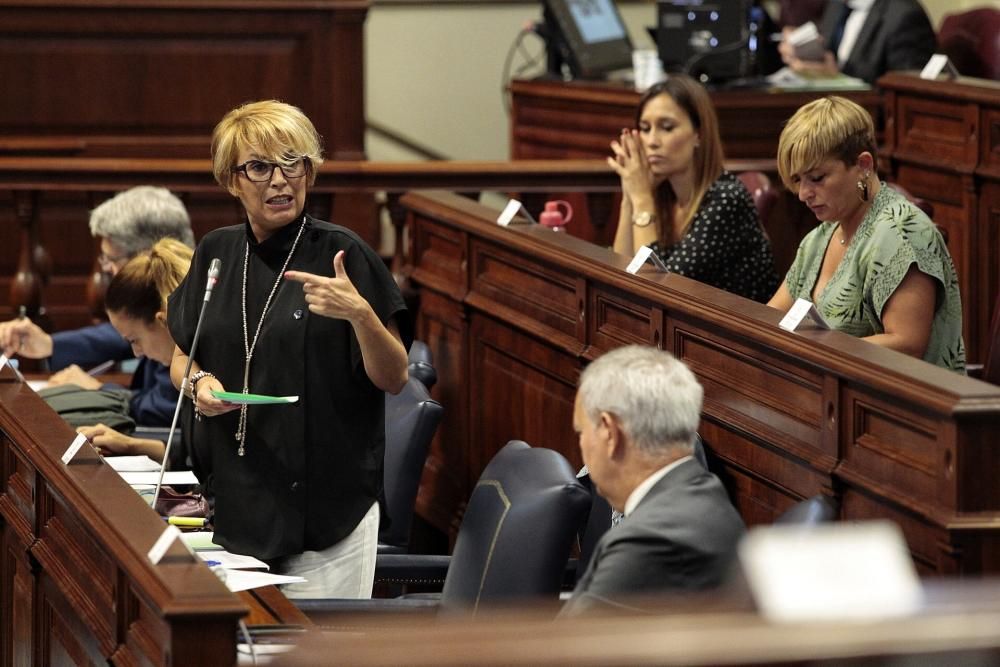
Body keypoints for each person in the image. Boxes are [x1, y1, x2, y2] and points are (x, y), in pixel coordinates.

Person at [167, 99, 410, 599]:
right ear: (233, 180)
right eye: (260, 167)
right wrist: (198, 384)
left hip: (327, 514)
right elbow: (180, 355)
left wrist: (360, 315)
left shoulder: (341, 254)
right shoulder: (217, 252)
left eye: (292, 163)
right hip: (237, 499)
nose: (280, 180)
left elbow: (395, 376)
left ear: (310, 172)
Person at [768, 96, 965, 372]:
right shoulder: (819, 237)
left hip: (902, 406)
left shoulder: (903, 232)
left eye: (817, 178)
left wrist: (815, 348)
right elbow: (772, 318)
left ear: (863, 164)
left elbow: (907, 345)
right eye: (798, 180)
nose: (803, 194)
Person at [560, 345, 746, 617]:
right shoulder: (704, 494)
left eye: (581, 431)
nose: (581, 444)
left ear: (610, 433)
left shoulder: (650, 540)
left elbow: (566, 650)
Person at [0, 186, 195, 426]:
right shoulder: (161, 304)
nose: (105, 269)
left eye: (111, 259)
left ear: (147, 256)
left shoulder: (185, 315)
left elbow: (165, 408)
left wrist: (99, 391)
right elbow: (122, 335)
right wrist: (50, 345)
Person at [609, 76, 778, 303]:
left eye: (666, 128)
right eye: (645, 128)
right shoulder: (662, 193)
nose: (651, 141)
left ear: (699, 134)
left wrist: (641, 198)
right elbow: (621, 270)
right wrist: (629, 197)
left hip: (733, 333)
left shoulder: (726, 199)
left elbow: (657, 289)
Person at [77, 238, 194, 464]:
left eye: (134, 340)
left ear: (163, 321)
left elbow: (212, 461)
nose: (137, 352)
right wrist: (132, 445)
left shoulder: (212, 362)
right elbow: (192, 451)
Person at [778, 0, 936, 85]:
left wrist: (835, 79)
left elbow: (902, 98)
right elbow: (828, 58)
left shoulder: (905, 16)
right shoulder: (836, 5)